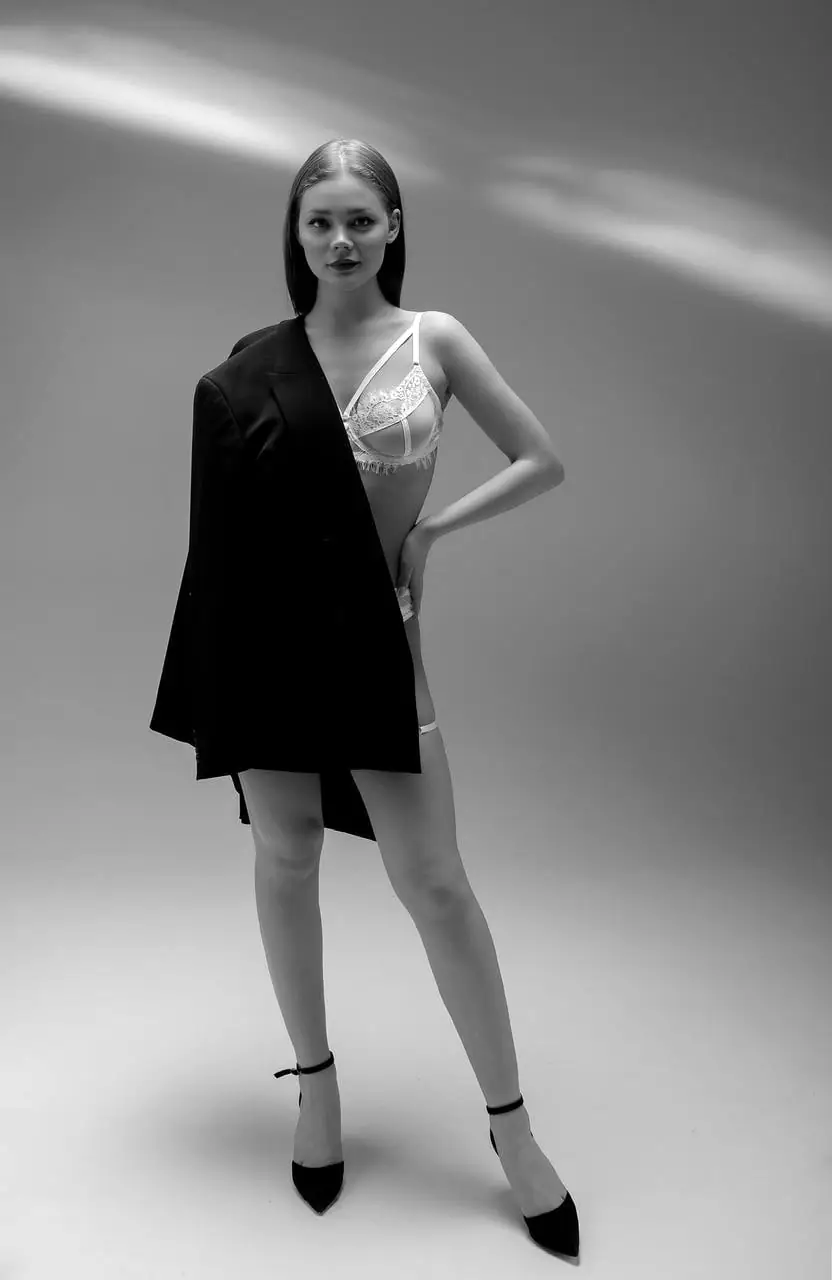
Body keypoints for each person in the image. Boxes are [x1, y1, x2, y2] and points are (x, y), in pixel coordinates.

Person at [150, 137, 576, 1256]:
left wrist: (430, 532)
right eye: (319, 221)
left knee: (435, 883)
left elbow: (540, 457)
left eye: (359, 219)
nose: (340, 240)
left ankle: (513, 1129)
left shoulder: (433, 338)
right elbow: (215, 548)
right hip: (267, 648)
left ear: (393, 227)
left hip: (381, 649)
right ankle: (317, 1091)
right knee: (285, 855)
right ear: (296, 236)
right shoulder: (250, 366)